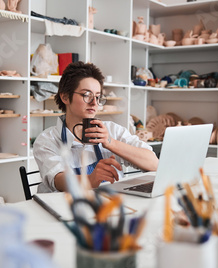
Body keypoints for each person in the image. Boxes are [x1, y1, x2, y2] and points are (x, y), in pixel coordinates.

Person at [33, 62, 158, 193]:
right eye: (86, 95)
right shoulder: (47, 140)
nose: (94, 103)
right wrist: (91, 180)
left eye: (98, 97)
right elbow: (57, 180)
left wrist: (111, 143)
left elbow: (154, 164)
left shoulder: (113, 131)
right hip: (66, 207)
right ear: (65, 97)